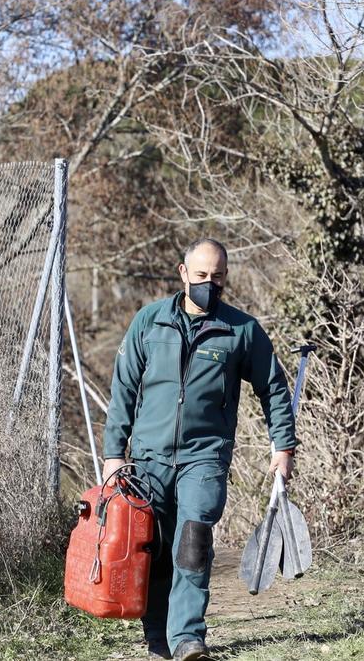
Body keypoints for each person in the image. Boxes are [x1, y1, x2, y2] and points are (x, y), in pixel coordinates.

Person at [102, 238, 297, 661]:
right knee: (152, 549)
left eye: (219, 277)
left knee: (192, 541)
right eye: (202, 275)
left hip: (205, 457)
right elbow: (123, 390)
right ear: (183, 273)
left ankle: (188, 638)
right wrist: (113, 454)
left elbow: (275, 389)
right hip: (149, 459)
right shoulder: (149, 323)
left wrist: (283, 446)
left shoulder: (240, 330)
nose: (210, 284)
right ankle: (158, 638)